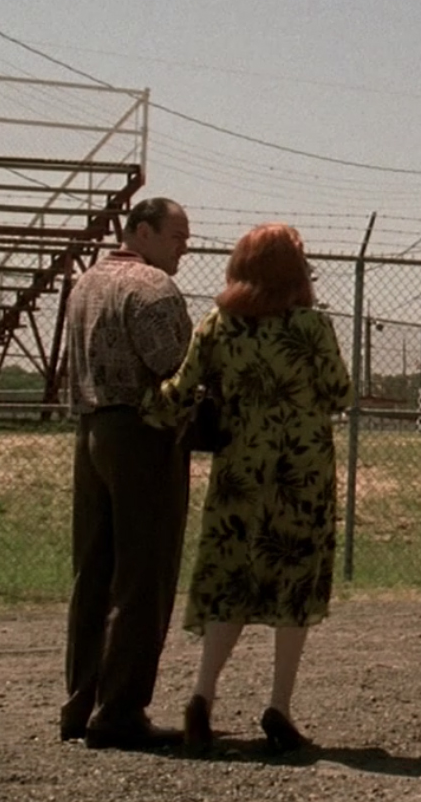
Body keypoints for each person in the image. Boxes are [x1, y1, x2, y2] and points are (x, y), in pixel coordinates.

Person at [144, 222, 353, 754]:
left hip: (240, 467)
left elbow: (179, 391)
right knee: (294, 582)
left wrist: (138, 409)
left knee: (231, 578)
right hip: (301, 471)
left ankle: (202, 695)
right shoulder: (312, 327)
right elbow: (338, 392)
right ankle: (279, 706)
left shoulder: (219, 325)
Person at [60, 197, 195, 749]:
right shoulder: (153, 288)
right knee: (144, 575)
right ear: (141, 231)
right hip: (143, 435)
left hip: (92, 430)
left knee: (94, 571)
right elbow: (178, 369)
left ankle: (81, 700)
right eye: (176, 236)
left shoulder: (85, 284)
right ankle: (120, 710)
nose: (183, 247)